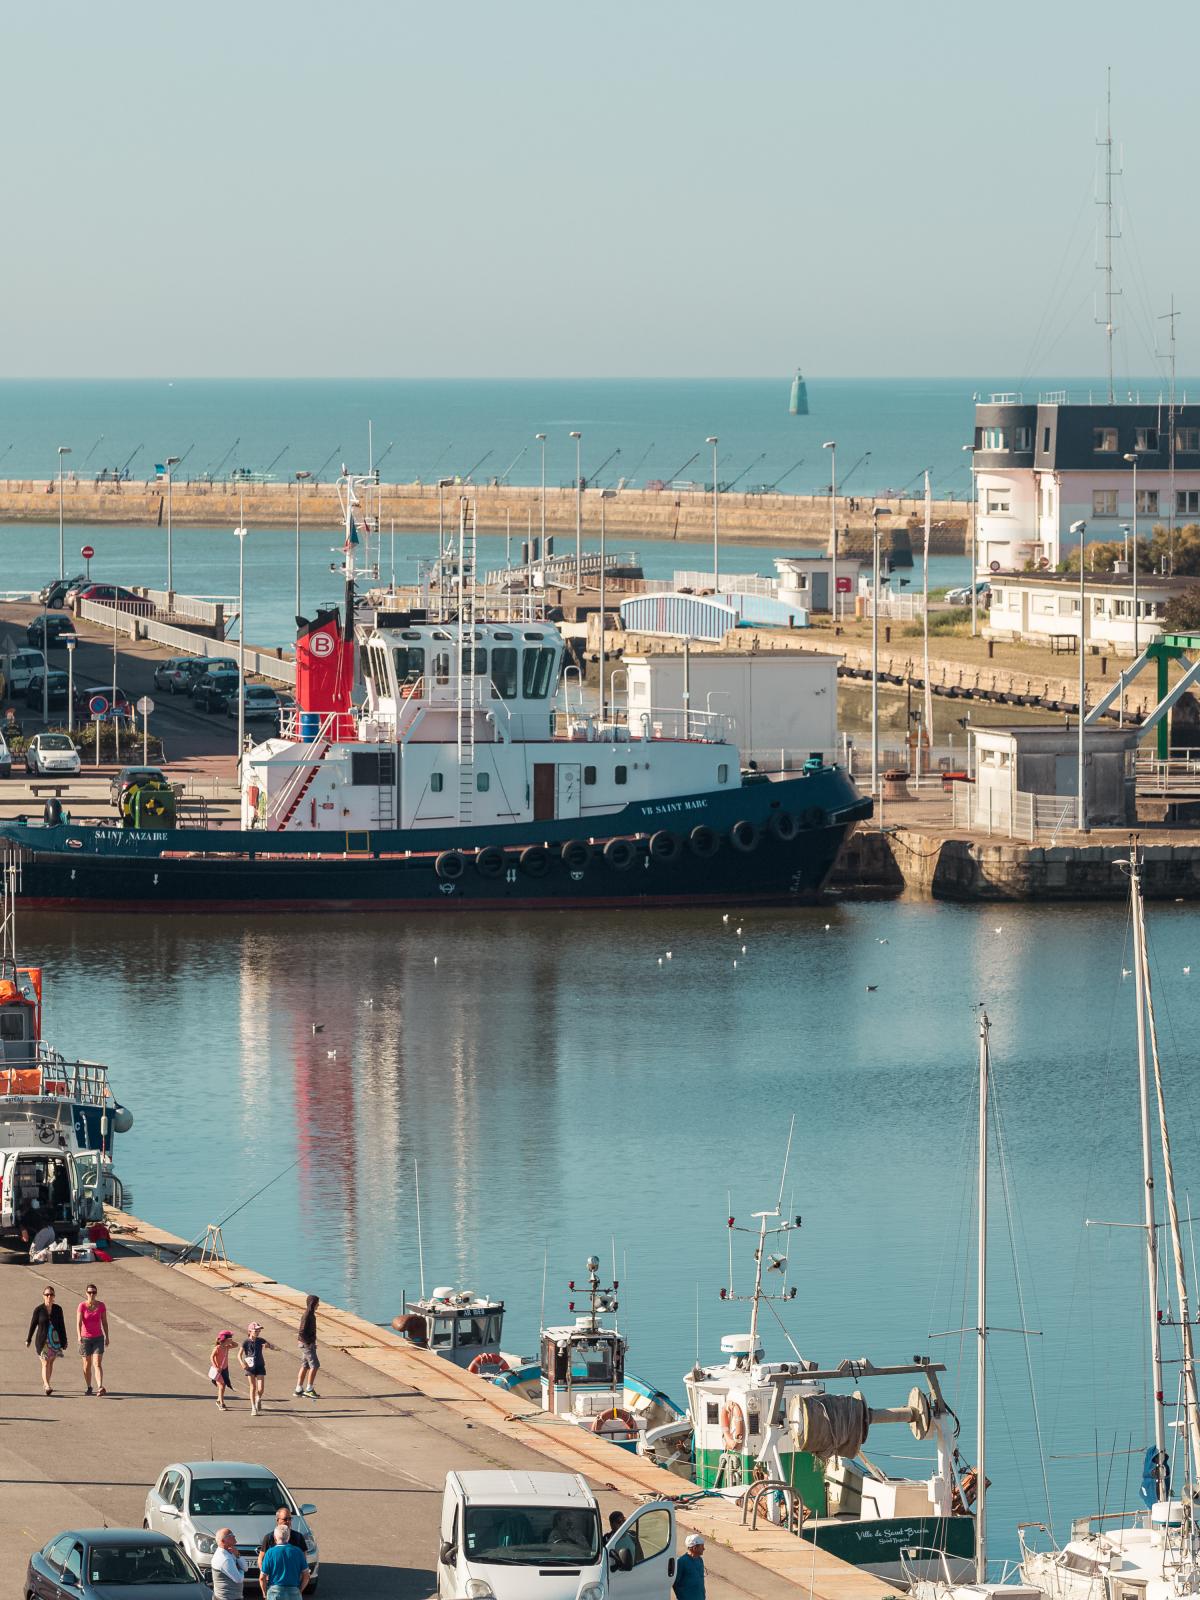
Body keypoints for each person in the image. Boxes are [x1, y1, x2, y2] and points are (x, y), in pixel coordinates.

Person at [26, 1284, 68, 1395]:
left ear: (54, 1296)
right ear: (43, 1296)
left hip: (54, 1341)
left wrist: (64, 1341)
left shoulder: (58, 1309)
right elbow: (33, 1325)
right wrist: (28, 1339)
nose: (49, 1297)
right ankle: (47, 1385)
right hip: (42, 1341)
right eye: (47, 1294)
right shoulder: (38, 1310)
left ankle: (46, 1383)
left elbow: (61, 1325)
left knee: (50, 1362)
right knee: (45, 1362)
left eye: (51, 1295)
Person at [259, 1520, 309, 1600]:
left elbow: (262, 1578)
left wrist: (265, 1594)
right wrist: (300, 1590)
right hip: (294, 1591)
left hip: (275, 1593)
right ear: (288, 1537)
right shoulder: (298, 1552)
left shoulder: (270, 1553)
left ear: (275, 1537)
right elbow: (306, 1575)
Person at [77, 1282, 110, 1396]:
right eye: (90, 1292)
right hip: (85, 1338)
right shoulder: (82, 1306)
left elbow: (104, 1322)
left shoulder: (101, 1306)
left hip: (98, 1338)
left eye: (94, 1292)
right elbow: (79, 1323)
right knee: (87, 1364)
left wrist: (107, 1337)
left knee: (97, 1363)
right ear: (86, 1293)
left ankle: (100, 1386)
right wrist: (78, 1335)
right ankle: (89, 1386)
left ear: (96, 1293)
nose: (92, 1294)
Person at [240, 1321, 277, 1416]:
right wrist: (242, 1364)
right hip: (250, 1367)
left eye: (259, 1330)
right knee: (253, 1387)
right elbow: (239, 1355)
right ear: (250, 1331)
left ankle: (258, 1398)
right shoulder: (245, 1342)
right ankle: (253, 1407)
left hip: (260, 1366)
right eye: (256, 1330)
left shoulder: (261, 1340)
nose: (258, 1332)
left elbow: (275, 1348)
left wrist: (269, 1346)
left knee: (261, 1388)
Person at [295, 1295, 320, 1399]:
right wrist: (309, 1343)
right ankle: (309, 1389)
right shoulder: (307, 1315)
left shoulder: (310, 1314)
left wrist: (312, 1342)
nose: (318, 1305)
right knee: (315, 1365)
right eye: (317, 1303)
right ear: (313, 1304)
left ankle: (298, 1389)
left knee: (305, 1366)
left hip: (307, 1344)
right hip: (307, 1344)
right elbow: (301, 1331)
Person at [211, 1529, 247, 1600]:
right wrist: (241, 1569)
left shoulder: (230, 1552)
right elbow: (239, 1579)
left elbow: (246, 1568)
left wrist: (237, 1555)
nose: (234, 1536)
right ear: (223, 1541)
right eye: (231, 1535)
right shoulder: (224, 1559)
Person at [672, 1534, 706, 1600]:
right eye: (702, 1546)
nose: (704, 1549)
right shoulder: (681, 1562)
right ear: (694, 1548)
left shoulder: (700, 1560)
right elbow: (675, 1583)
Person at [210, 1330, 236, 1410]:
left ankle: (218, 1400)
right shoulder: (217, 1348)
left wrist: (231, 1341)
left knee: (223, 1386)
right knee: (221, 1386)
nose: (231, 1339)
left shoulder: (227, 1347)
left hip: (225, 1369)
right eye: (230, 1338)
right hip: (218, 1370)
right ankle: (221, 1403)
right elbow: (211, 1357)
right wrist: (216, 1367)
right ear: (224, 1339)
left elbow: (236, 1345)